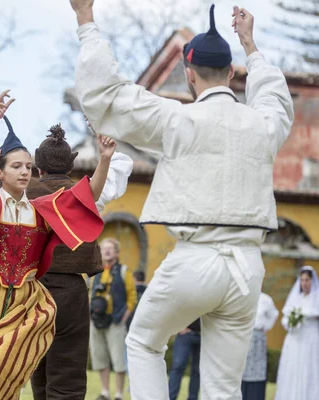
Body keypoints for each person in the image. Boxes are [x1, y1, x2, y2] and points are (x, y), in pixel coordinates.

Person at [69, 1, 295, 398]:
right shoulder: (262, 124)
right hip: (247, 268)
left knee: (141, 342)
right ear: (230, 73)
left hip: (197, 259)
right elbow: (276, 99)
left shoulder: (178, 120)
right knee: (223, 388)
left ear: (189, 76)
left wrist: (86, 20)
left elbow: (107, 97)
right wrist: (251, 46)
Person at [0, 90, 113, 399]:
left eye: (28, 166)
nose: (25, 171)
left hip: (28, 300)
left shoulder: (42, 208)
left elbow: (89, 194)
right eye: (17, 166)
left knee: (8, 381)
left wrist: (105, 159)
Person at [0, 121, 133, 400]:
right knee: (68, 371)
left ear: (37, 168)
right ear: (70, 167)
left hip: (30, 289)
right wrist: (102, 130)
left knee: (37, 365)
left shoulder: (21, 195)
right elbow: (121, 166)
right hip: (71, 291)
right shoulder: (84, 196)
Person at [89, 238, 137, 400]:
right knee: (99, 357)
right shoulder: (95, 271)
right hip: (96, 320)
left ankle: (118, 394)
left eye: (110, 249)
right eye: (104, 249)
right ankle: (104, 392)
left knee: (118, 360)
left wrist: (124, 317)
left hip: (116, 321)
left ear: (117, 252)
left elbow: (132, 297)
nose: (107, 251)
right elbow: (89, 294)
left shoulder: (124, 271)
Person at [274, 266, 319, 400]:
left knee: (309, 367)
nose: (304, 283)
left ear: (312, 281)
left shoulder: (316, 298)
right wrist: (291, 323)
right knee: (293, 368)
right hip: (295, 338)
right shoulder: (295, 298)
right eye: (302, 280)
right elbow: (285, 317)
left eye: (307, 280)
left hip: (310, 338)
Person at [241, 291, 278, 400]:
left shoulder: (266, 299)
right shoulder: (242, 296)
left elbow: (274, 315)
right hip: (243, 336)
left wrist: (265, 327)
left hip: (258, 338)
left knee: (257, 371)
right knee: (243, 370)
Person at [168, 320, 201, 400]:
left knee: (197, 370)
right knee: (178, 366)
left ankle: (193, 398)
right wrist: (178, 327)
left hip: (203, 335)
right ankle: (170, 398)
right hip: (185, 334)